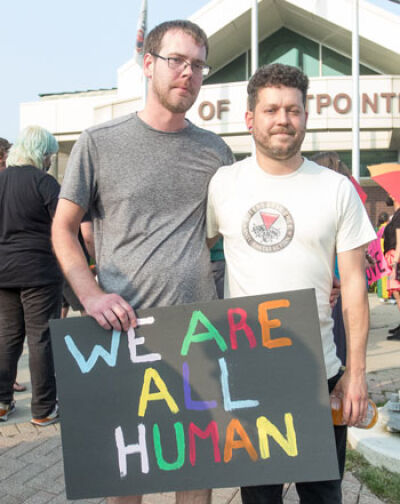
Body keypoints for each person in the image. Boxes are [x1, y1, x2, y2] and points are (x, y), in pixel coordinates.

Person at [52, 20, 234, 504]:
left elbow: (232, 232)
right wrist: (89, 294)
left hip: (197, 332)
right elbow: (63, 228)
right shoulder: (98, 142)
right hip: (121, 337)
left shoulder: (216, 152)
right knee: (126, 478)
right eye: (177, 60)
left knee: (196, 468)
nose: (188, 73)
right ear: (148, 64)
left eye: (198, 65)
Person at [207, 63, 376, 503]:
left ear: (306, 116)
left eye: (293, 110)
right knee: (259, 498)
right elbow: (193, 258)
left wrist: (355, 376)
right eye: (271, 110)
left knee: (322, 496)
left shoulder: (337, 189)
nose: (283, 119)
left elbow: (355, 288)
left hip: (318, 374)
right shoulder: (224, 184)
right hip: (247, 376)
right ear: (250, 119)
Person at [0, 126, 62, 425]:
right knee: (41, 338)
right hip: (39, 271)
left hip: (3, 273)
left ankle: (1, 402)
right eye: (49, 154)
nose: (50, 160)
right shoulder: (45, 183)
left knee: (8, 337)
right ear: (41, 153)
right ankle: (43, 409)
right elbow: (65, 227)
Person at [383, 196, 400, 340]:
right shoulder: (396, 215)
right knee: (396, 293)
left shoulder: (399, 215)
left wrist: (395, 264)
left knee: (398, 293)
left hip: (396, 258)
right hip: (393, 257)